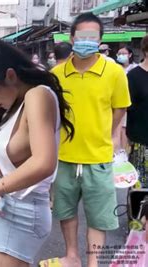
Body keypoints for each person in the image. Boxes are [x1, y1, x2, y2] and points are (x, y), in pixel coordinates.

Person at [0, 36, 74, 267]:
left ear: (11, 76)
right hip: (12, 212)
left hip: (23, 215)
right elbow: (21, 148)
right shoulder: (20, 101)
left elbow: (45, 162)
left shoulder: (38, 95)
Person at [41, 13, 131, 267]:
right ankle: (72, 256)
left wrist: (106, 132)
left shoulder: (114, 72)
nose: (87, 42)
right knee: (66, 212)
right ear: (71, 39)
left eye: (93, 37)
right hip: (65, 157)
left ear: (101, 40)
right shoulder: (56, 75)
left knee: (99, 218)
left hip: (99, 159)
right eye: (82, 37)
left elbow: (120, 107)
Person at [127, 35, 148, 188]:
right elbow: (126, 110)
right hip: (141, 143)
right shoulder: (133, 76)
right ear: (145, 51)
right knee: (140, 191)